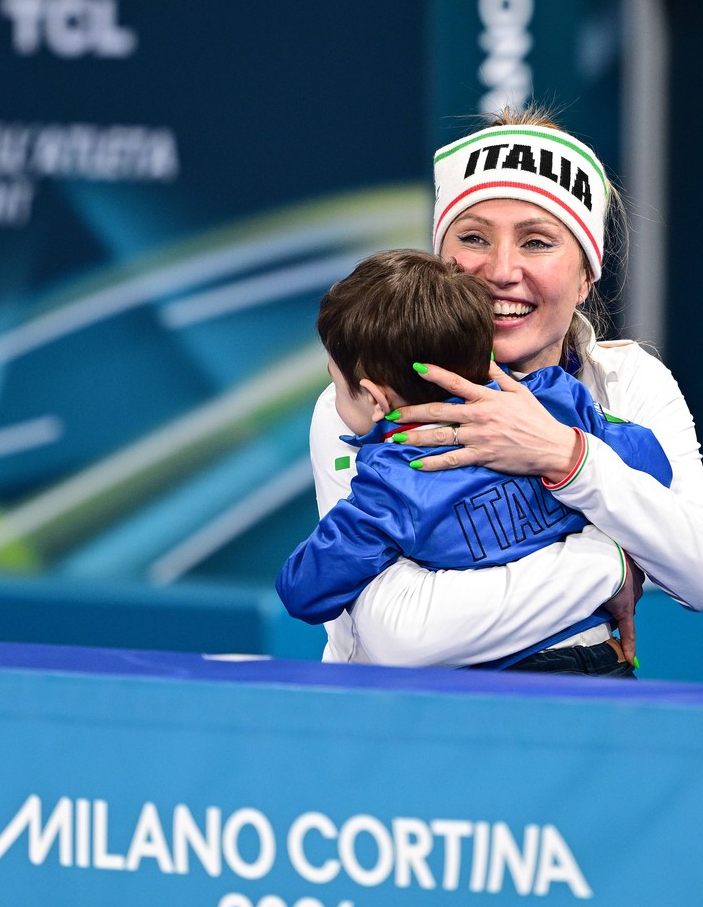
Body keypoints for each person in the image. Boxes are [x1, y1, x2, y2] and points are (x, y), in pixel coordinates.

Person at [309, 105, 703, 675]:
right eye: (473, 237)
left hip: (574, 721)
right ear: (441, 260)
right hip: (396, 732)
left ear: (588, 274)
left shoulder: (628, 381)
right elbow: (402, 638)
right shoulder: (367, 401)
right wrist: (609, 563)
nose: (501, 270)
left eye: (537, 242)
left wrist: (566, 456)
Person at [279, 249, 672, 674]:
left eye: (336, 383)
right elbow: (653, 464)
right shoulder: (556, 400)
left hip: (474, 685)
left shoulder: (393, 481)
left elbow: (303, 590)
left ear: (375, 399)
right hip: (597, 663)